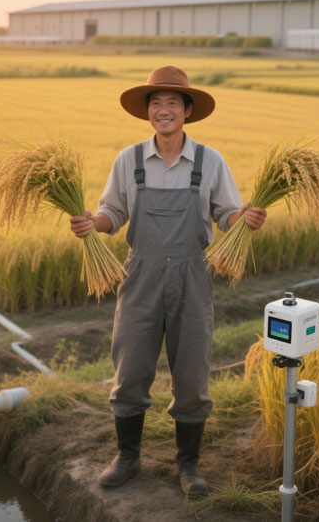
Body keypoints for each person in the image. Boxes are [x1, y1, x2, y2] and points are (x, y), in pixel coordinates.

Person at [69, 66, 266, 494]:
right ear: (146, 112)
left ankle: (189, 464)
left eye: (172, 102)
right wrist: (92, 223)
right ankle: (127, 456)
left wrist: (245, 218)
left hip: (193, 276)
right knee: (131, 368)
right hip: (140, 273)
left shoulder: (211, 161)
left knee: (192, 373)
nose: (163, 110)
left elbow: (227, 214)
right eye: (155, 102)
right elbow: (112, 214)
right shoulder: (129, 160)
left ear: (188, 110)